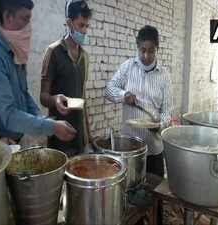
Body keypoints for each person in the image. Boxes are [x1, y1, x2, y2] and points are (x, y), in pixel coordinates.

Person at [0, 0, 76, 145]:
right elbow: (9, 115)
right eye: (25, 19)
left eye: (30, 20)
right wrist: (52, 127)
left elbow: (24, 94)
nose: (29, 27)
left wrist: (43, 120)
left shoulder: (16, 50)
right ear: (8, 16)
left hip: (16, 137)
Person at [105, 25, 173, 225]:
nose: (146, 55)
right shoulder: (128, 67)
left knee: (156, 196)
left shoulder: (164, 76)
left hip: (153, 148)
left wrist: (160, 123)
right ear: (137, 47)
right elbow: (109, 90)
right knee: (130, 198)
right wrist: (123, 95)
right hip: (130, 149)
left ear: (157, 49)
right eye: (142, 50)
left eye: (151, 51)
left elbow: (168, 110)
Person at [40, 0, 92, 157]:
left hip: (79, 135)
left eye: (87, 26)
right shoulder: (54, 52)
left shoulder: (84, 57)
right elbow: (43, 97)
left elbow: (82, 100)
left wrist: (88, 136)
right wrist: (55, 100)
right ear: (69, 23)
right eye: (81, 25)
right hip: (59, 133)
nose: (84, 31)